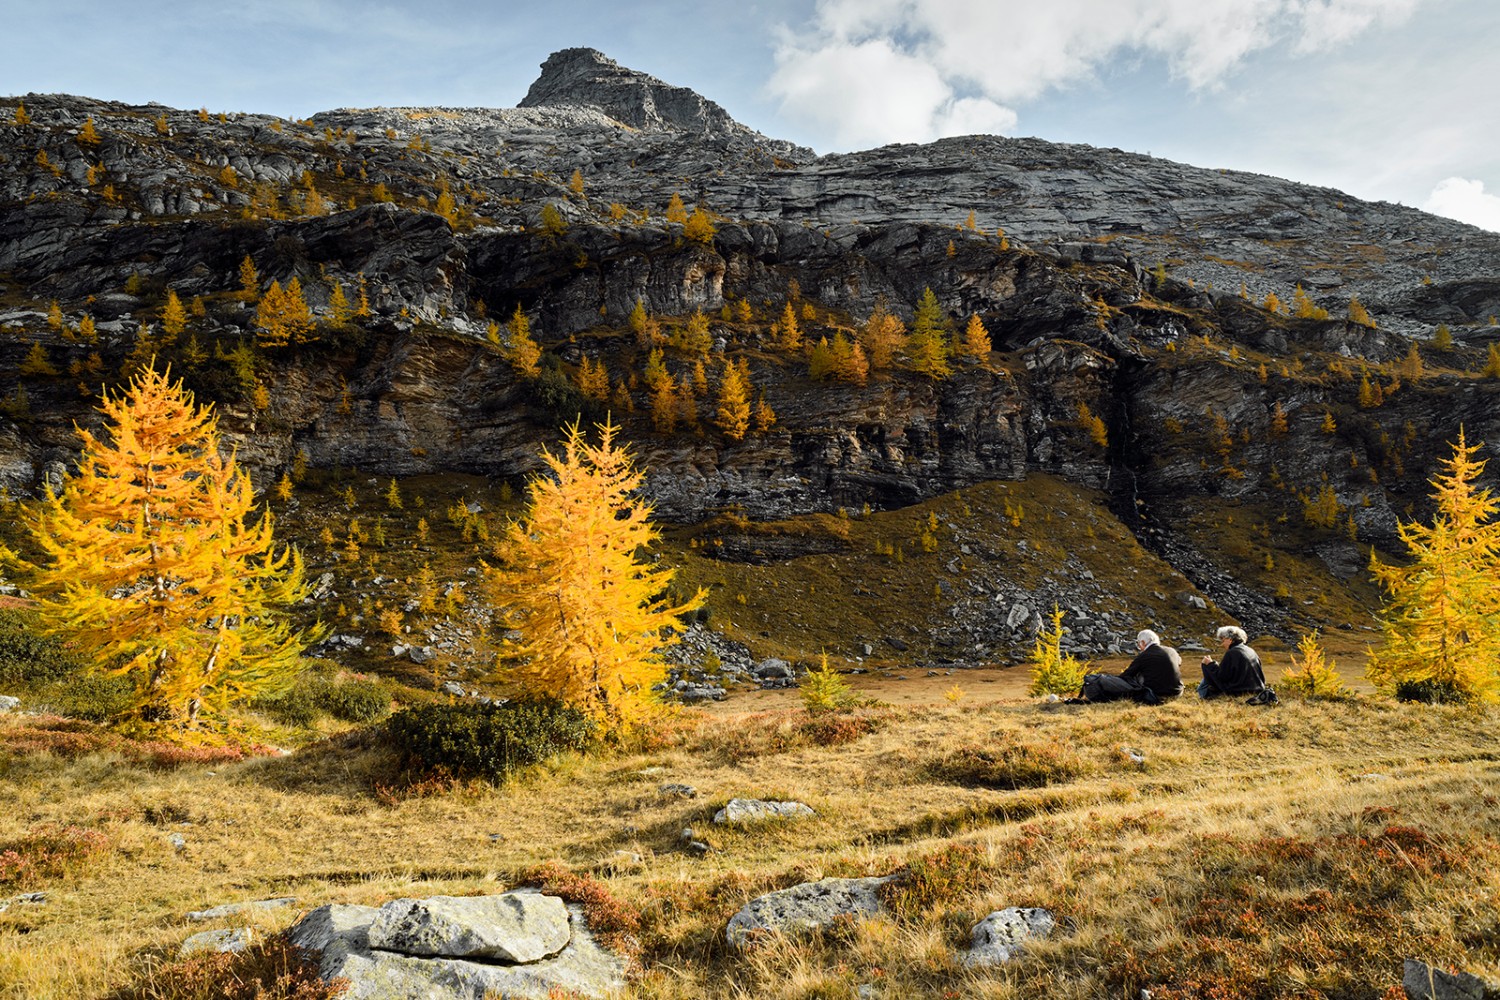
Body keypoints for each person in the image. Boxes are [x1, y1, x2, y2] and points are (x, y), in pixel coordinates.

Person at [1072, 629, 1182, 703]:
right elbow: (1179, 663)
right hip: (1177, 693)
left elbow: (1126, 676)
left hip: (1155, 696)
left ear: (1143, 643)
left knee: (1103, 680)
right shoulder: (1172, 651)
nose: (1139, 647)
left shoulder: (1145, 655)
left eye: (1139, 644)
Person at [1198, 625, 1269, 700]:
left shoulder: (1232, 653)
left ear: (1230, 639)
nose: (1222, 644)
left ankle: (1204, 695)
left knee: (1206, 668)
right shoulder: (1250, 650)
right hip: (1256, 689)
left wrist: (1210, 664)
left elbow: (1222, 677)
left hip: (1237, 691)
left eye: (1223, 640)